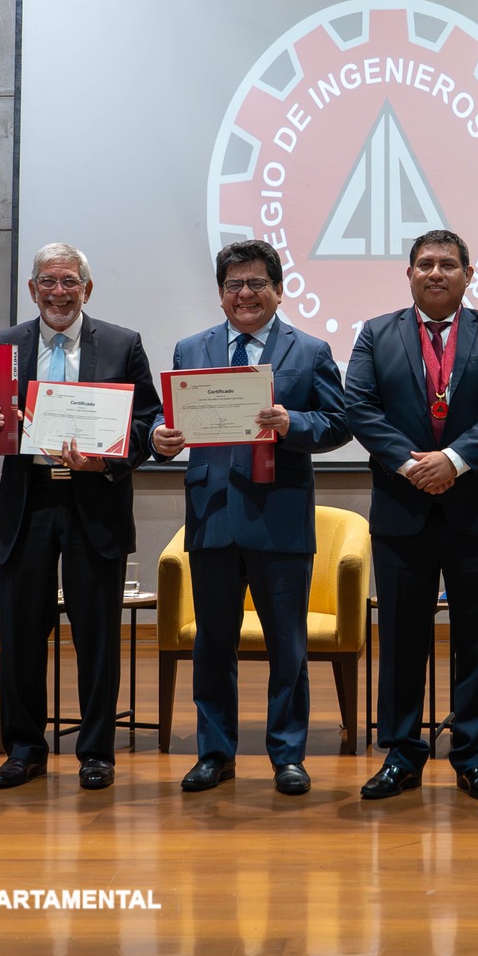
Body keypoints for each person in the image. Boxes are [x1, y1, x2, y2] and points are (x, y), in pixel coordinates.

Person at [152, 240, 350, 796]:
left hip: (280, 518)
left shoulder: (310, 350)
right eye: (234, 284)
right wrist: (160, 439)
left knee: (287, 647)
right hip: (213, 514)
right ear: (220, 294)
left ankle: (287, 756)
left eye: (257, 283)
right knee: (213, 644)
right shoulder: (191, 349)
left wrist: (293, 424)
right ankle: (215, 753)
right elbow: (168, 423)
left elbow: (339, 423)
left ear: (279, 291)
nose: (245, 294)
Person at [347, 230, 478, 802]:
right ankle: (401, 755)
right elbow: (359, 407)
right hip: (402, 510)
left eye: (448, 264)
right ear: (408, 274)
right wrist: (412, 466)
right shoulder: (375, 333)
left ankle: (474, 758)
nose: (435, 272)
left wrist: (454, 460)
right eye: (424, 263)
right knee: (401, 638)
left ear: (468, 275)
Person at [0, 243, 160, 792]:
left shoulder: (123, 343)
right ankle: (24, 750)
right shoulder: (4, 345)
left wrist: (107, 459)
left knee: (97, 636)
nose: (59, 293)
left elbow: (147, 423)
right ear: (32, 289)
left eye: (69, 282)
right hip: (28, 502)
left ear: (87, 288)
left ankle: (96, 752)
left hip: (95, 500)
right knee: (22, 632)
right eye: (48, 282)